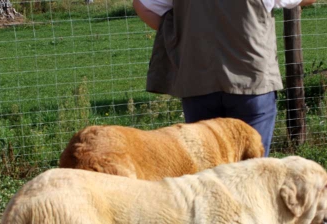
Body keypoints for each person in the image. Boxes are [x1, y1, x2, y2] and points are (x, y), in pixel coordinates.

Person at [133, 0, 317, 156]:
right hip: (252, 83)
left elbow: (142, 5)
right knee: (252, 172)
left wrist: (179, 35)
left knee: (207, 171)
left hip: (197, 82)